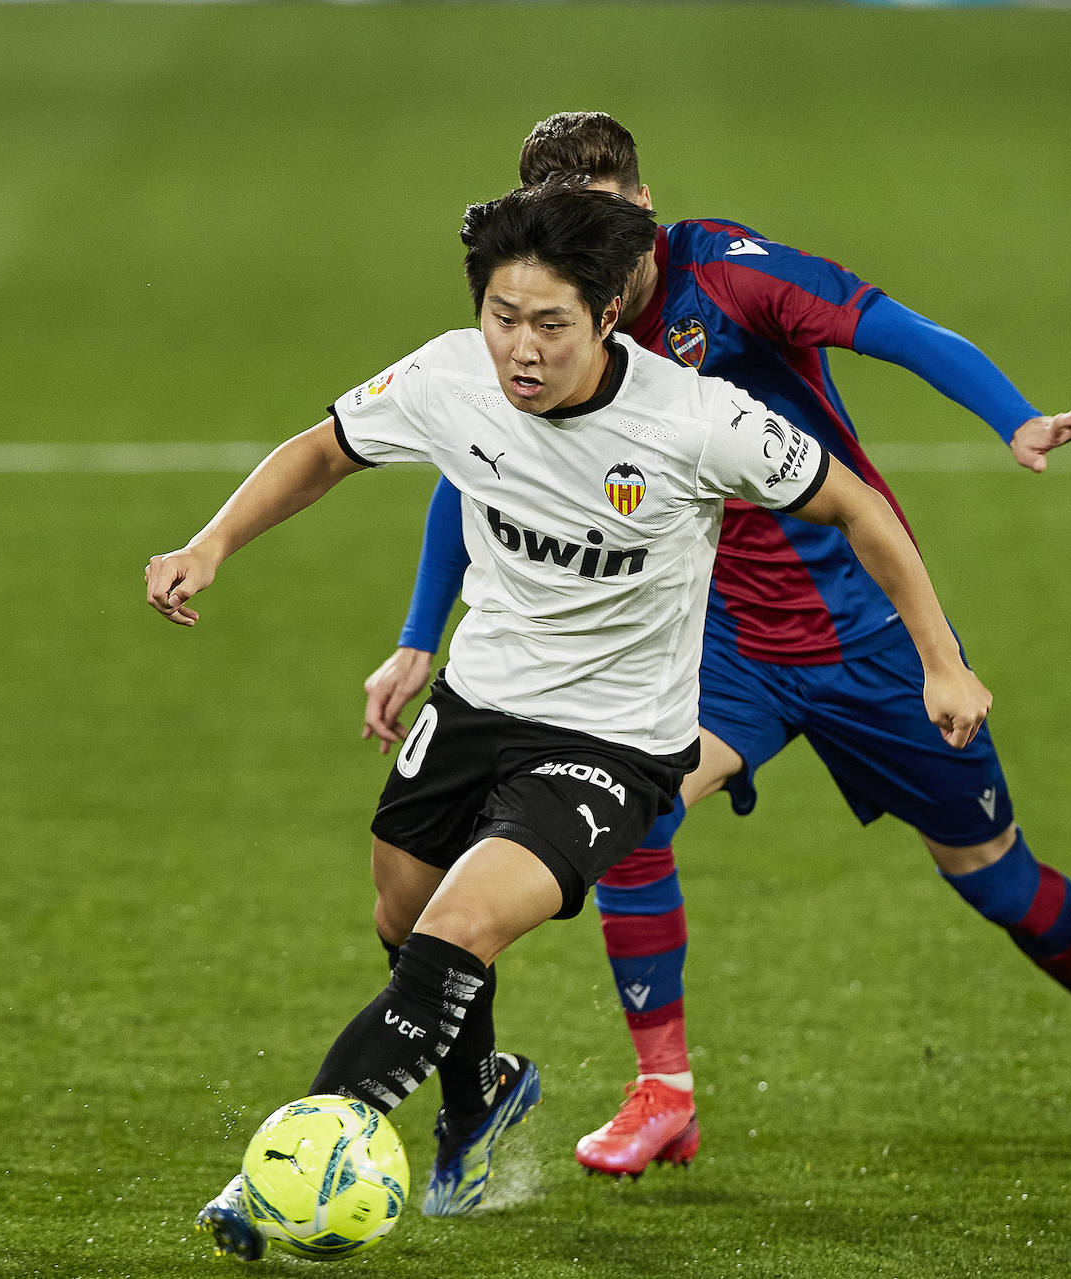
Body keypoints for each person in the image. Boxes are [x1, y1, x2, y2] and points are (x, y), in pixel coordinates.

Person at [360, 113, 1071, 1176]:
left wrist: (1015, 417)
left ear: (644, 209)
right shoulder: (552, 326)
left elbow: (901, 330)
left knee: (998, 881)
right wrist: (418, 637)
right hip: (721, 650)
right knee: (630, 813)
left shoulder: (731, 276)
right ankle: (664, 1092)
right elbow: (477, 465)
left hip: (871, 637)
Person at [145, 182, 993, 1258]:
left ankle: (286, 1168)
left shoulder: (694, 419)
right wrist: (209, 545)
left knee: (456, 931)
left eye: (551, 324)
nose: (522, 350)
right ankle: (479, 1098)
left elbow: (857, 505)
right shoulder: (451, 375)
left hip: (614, 744)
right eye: (505, 317)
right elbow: (324, 449)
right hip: (477, 702)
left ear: (606, 316)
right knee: (404, 919)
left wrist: (942, 661)